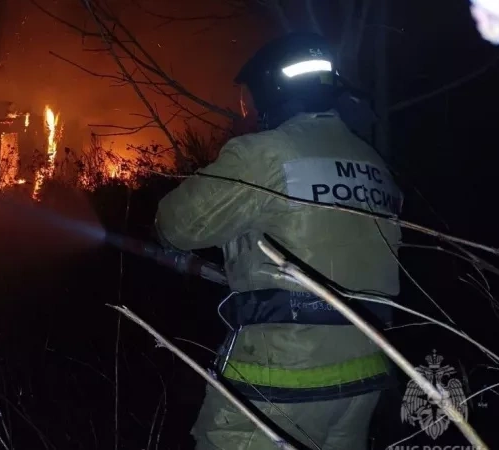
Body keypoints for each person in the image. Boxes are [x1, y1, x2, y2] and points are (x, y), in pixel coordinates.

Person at [154, 32, 403, 450]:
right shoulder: (373, 163)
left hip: (282, 377)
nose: (247, 110)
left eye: (248, 99)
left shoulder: (267, 153)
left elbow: (177, 224)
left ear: (273, 90)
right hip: (365, 375)